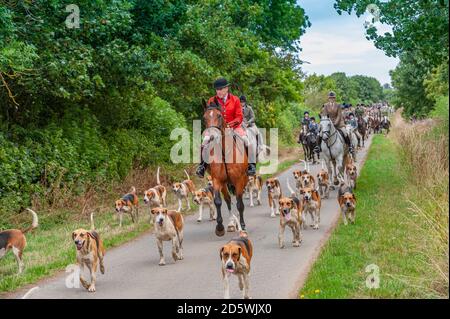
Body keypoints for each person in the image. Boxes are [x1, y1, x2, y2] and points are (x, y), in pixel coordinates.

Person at [196, 78, 256, 178]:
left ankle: (251, 165)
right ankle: (202, 166)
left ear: (227, 88)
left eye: (221, 89)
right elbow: (210, 115)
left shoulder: (235, 100)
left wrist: (229, 125)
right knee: (204, 142)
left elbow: (239, 117)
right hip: (215, 129)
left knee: (247, 140)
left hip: (234, 127)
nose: (219, 91)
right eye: (217, 89)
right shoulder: (212, 100)